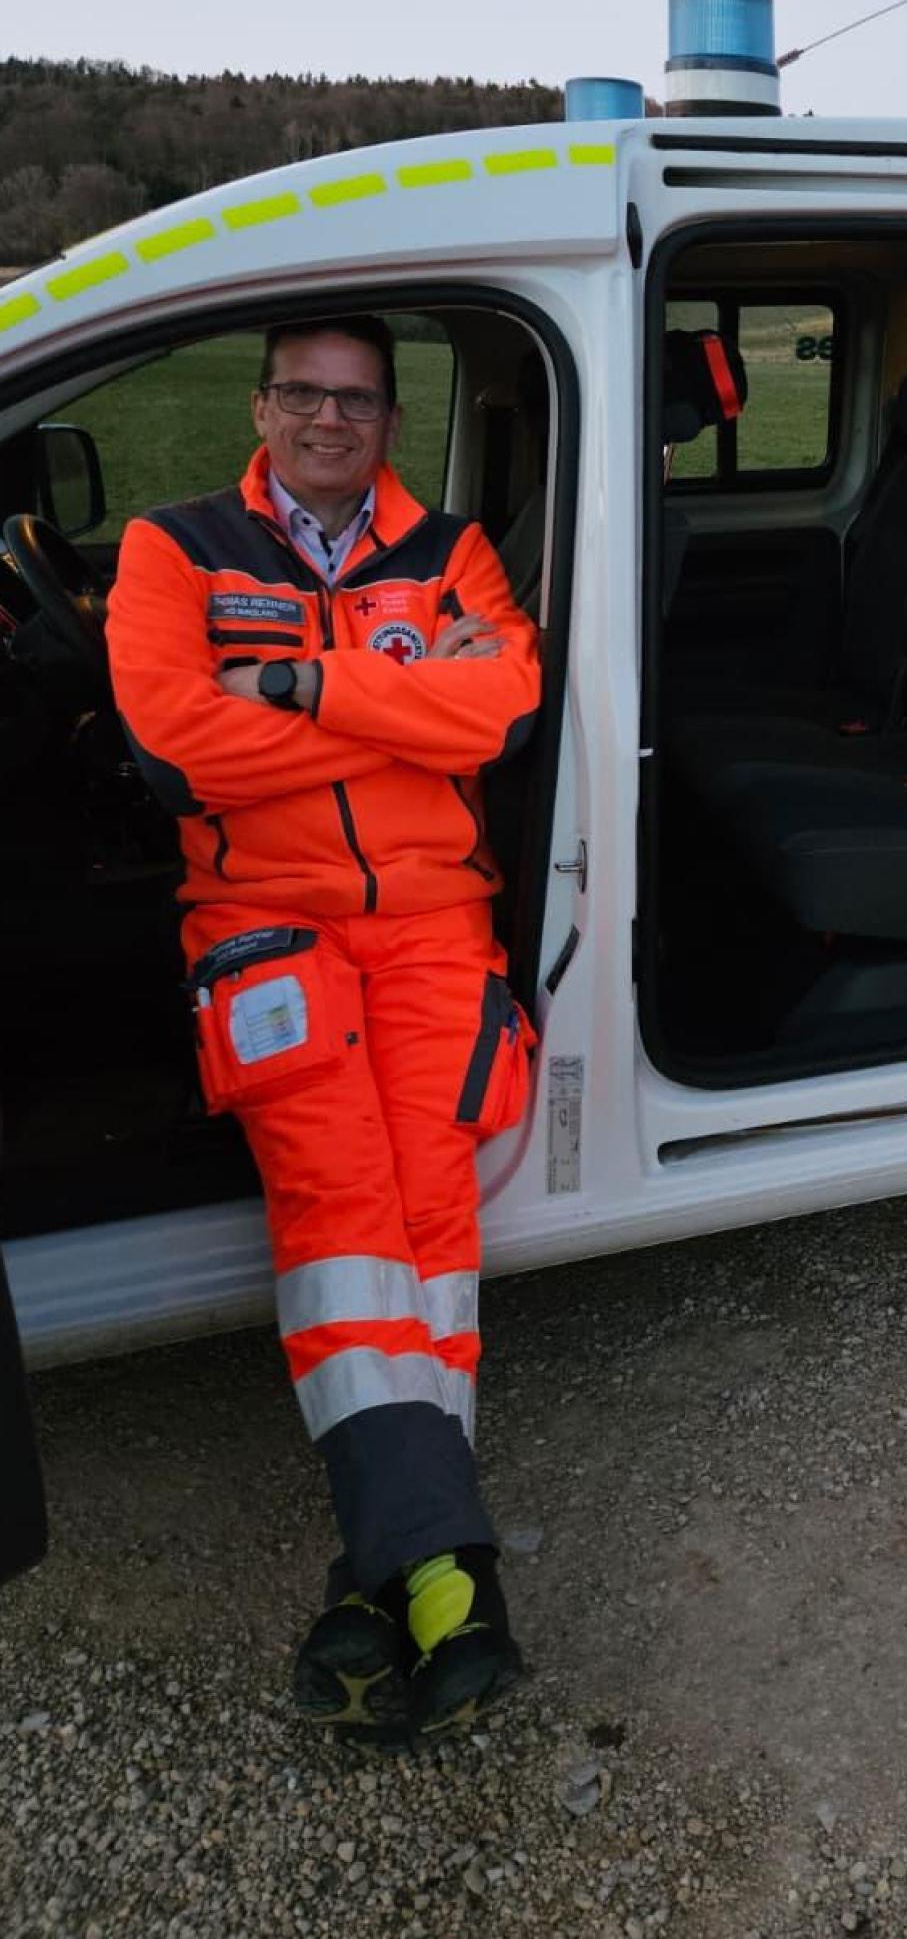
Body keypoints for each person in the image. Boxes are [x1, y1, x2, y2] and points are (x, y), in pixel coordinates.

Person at [105, 314, 541, 1743]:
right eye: (305, 393)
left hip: (433, 924)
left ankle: (394, 1574)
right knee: (343, 1206)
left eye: (356, 401)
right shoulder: (176, 548)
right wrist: (411, 710)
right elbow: (175, 741)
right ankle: (448, 1575)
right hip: (266, 927)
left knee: (428, 1216)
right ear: (264, 402)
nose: (329, 421)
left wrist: (299, 684)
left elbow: (503, 707)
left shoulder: (452, 550)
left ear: (390, 422)